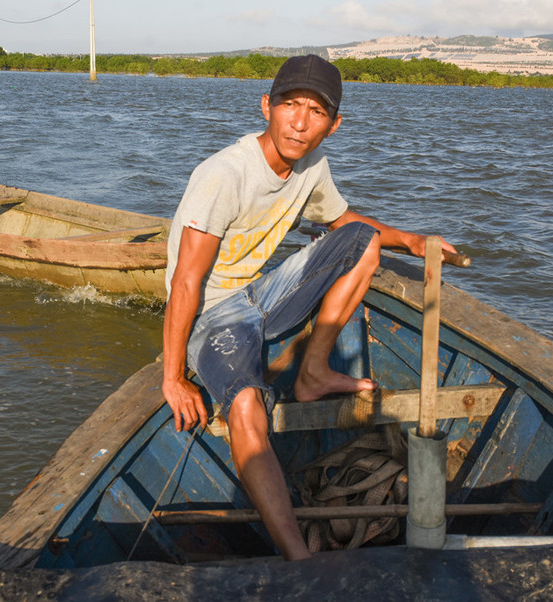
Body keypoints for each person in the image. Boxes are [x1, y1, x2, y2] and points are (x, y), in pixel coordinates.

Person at [162, 54, 457, 560]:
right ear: (266, 107)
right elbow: (186, 283)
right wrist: (172, 377)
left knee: (363, 241)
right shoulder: (224, 175)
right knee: (247, 407)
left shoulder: (312, 166)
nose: (300, 121)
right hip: (212, 315)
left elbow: (343, 220)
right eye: (289, 105)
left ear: (334, 125)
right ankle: (300, 560)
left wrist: (408, 239)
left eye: (316, 111)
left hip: (259, 295)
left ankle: (314, 372)